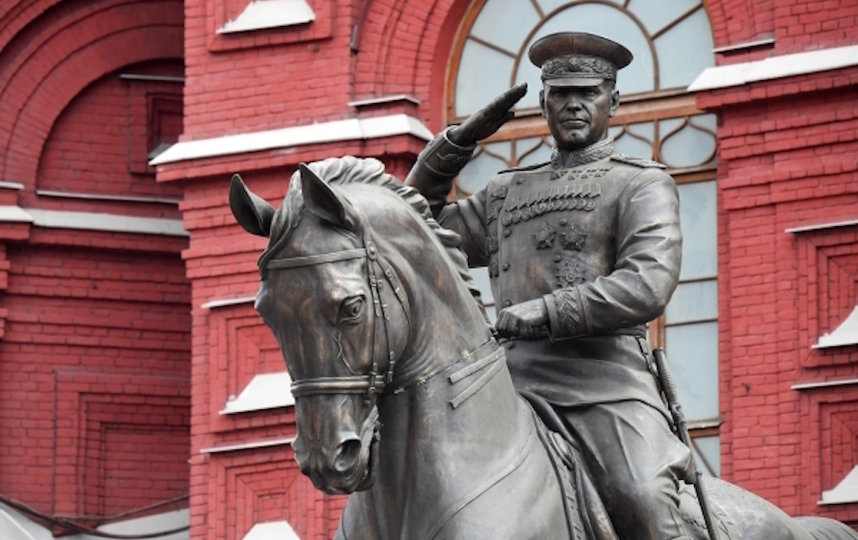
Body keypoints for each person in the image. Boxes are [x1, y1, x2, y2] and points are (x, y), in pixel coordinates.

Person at [406, 32, 696, 539]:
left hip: (605, 383)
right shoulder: (507, 192)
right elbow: (416, 233)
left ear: (614, 100)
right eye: (561, 94)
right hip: (508, 385)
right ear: (544, 102)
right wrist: (453, 148)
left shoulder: (640, 183)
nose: (575, 105)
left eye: (589, 93)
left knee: (644, 498)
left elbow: (647, 283)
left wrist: (548, 311)